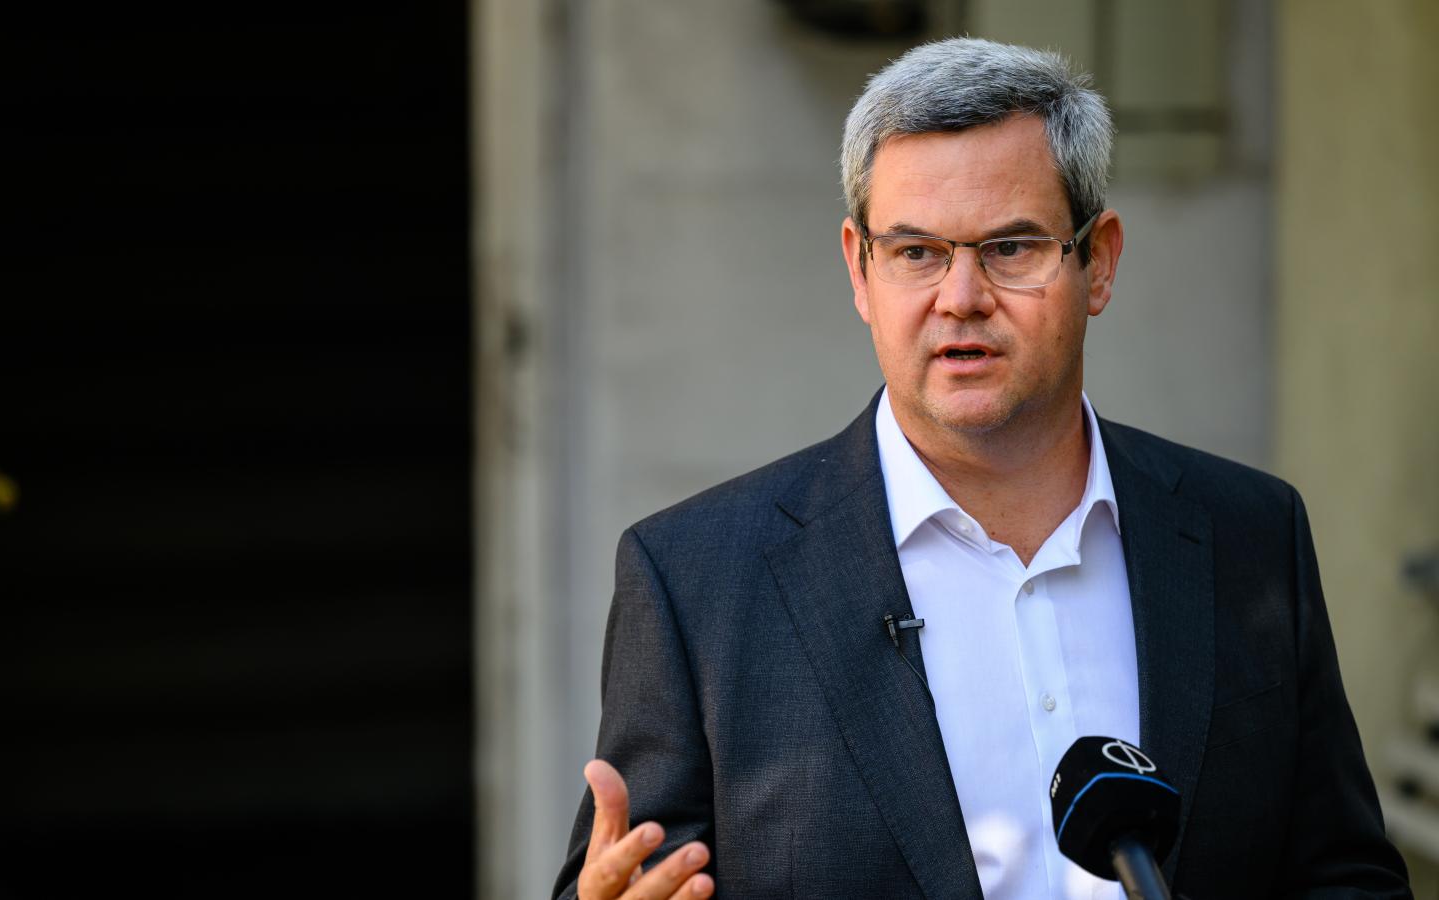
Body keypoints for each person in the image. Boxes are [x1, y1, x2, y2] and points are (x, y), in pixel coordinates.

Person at [552, 38, 1411, 900]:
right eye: (915, 252)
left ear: (1100, 261)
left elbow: (1344, 876)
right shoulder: (697, 584)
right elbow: (633, 879)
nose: (961, 297)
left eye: (1010, 247)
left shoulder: (1251, 535)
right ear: (860, 269)